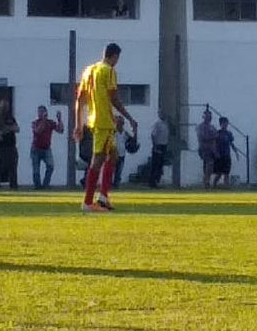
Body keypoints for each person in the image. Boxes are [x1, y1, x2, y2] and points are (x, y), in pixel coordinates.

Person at [74, 43, 138, 212]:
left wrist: (78, 124)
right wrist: (129, 117)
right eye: (117, 58)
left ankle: (103, 197)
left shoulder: (89, 71)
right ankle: (87, 203)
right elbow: (114, 98)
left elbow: (80, 100)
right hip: (104, 122)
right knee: (97, 160)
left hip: (95, 121)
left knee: (113, 155)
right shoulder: (108, 71)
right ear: (114, 56)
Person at [30, 105, 63, 189]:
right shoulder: (35, 123)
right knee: (36, 169)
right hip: (36, 149)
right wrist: (44, 120)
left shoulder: (50, 122)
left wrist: (59, 119)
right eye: (39, 112)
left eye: (42, 111)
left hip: (46, 149)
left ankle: (45, 185)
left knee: (50, 166)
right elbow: (38, 131)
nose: (40, 113)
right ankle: (37, 186)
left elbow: (60, 130)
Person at [0, 100, 20, 190]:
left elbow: (17, 128)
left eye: (5, 107)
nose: (3, 109)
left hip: (11, 146)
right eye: (1, 107)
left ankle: (13, 186)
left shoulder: (10, 118)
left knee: (13, 167)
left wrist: (4, 129)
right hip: (0, 148)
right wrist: (6, 130)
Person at [213, 116, 238, 187]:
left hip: (227, 155)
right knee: (219, 173)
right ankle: (214, 184)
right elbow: (214, 144)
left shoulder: (229, 134)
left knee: (227, 172)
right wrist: (216, 152)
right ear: (221, 124)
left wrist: (235, 151)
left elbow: (231, 143)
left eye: (226, 123)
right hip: (220, 155)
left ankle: (226, 185)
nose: (225, 125)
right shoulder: (218, 133)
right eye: (224, 123)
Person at [196, 109, 217, 189]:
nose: (209, 118)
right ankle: (206, 181)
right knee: (209, 163)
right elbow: (203, 137)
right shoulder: (200, 127)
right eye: (207, 116)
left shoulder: (212, 127)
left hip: (211, 149)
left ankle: (206, 180)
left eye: (210, 116)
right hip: (204, 148)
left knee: (210, 167)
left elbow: (216, 135)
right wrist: (212, 137)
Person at [149, 110, 170, 188]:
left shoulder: (166, 124)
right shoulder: (158, 124)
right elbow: (153, 135)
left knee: (160, 164)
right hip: (158, 145)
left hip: (164, 145)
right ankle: (152, 182)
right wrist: (155, 146)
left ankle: (157, 181)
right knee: (156, 164)